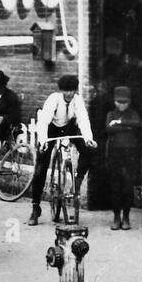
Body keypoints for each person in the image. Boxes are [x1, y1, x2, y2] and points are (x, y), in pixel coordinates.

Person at [29, 74, 97, 226]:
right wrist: (43, 141)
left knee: (89, 150)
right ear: (61, 91)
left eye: (72, 90)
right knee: (41, 166)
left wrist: (88, 138)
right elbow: (44, 121)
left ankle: (77, 181)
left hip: (69, 128)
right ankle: (35, 208)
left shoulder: (77, 100)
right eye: (66, 91)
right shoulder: (54, 99)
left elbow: (83, 119)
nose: (69, 94)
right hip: (52, 129)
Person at [105, 86, 141, 230]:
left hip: (130, 155)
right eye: (119, 102)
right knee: (115, 186)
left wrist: (120, 123)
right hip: (114, 154)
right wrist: (127, 128)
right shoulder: (111, 114)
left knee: (127, 185)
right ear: (114, 101)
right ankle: (116, 217)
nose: (122, 105)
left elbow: (137, 124)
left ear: (129, 102)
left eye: (124, 102)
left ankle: (126, 217)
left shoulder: (133, 114)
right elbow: (109, 128)